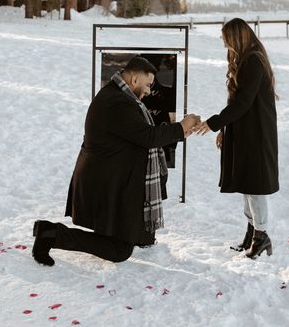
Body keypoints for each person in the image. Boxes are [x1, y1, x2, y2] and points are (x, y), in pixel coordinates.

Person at [32, 56, 198, 266]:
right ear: (135, 79)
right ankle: (51, 234)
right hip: (104, 184)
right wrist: (181, 127)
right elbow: (147, 137)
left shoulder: (120, 96)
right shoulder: (117, 102)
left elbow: (142, 135)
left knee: (132, 237)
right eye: (147, 85)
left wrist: (181, 130)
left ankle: (138, 234)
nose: (148, 91)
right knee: (119, 251)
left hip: (113, 179)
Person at [194, 18, 279, 259]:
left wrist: (213, 123)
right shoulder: (247, 60)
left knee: (255, 186)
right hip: (246, 132)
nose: (224, 45)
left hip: (257, 135)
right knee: (247, 184)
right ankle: (252, 234)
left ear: (236, 38)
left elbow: (243, 103)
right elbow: (239, 103)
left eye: (226, 40)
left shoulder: (253, 61)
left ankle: (261, 236)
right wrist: (225, 130)